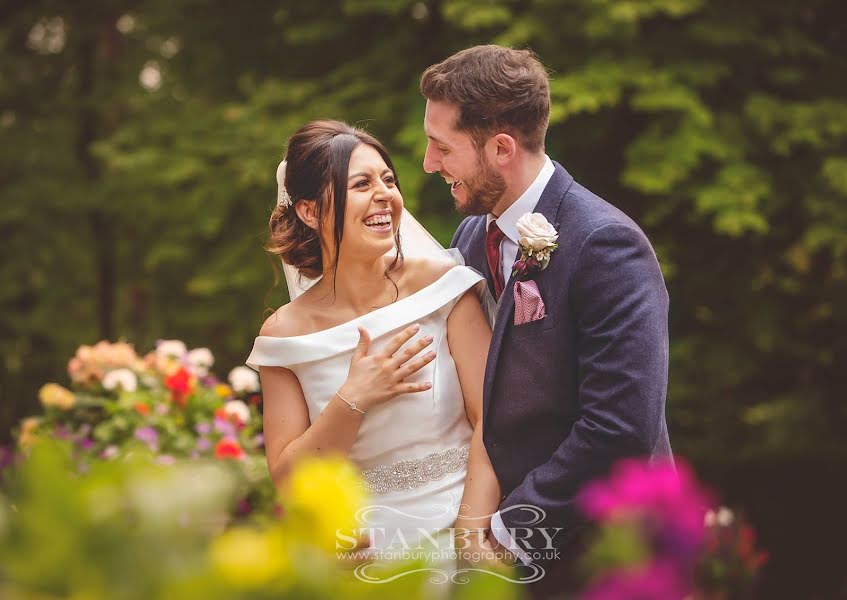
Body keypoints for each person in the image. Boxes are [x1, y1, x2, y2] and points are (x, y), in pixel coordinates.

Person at [421, 45, 674, 593]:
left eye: (442, 147)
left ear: (502, 148)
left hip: (598, 556)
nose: (428, 163)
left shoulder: (606, 244)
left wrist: (509, 534)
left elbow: (620, 428)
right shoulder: (470, 236)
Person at [245, 120, 500, 566]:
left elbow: (493, 419)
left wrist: (472, 532)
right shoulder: (284, 337)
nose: (385, 194)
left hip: (461, 540)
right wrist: (352, 399)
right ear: (309, 212)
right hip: (359, 561)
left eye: (388, 180)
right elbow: (289, 481)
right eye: (361, 184)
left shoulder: (445, 290)